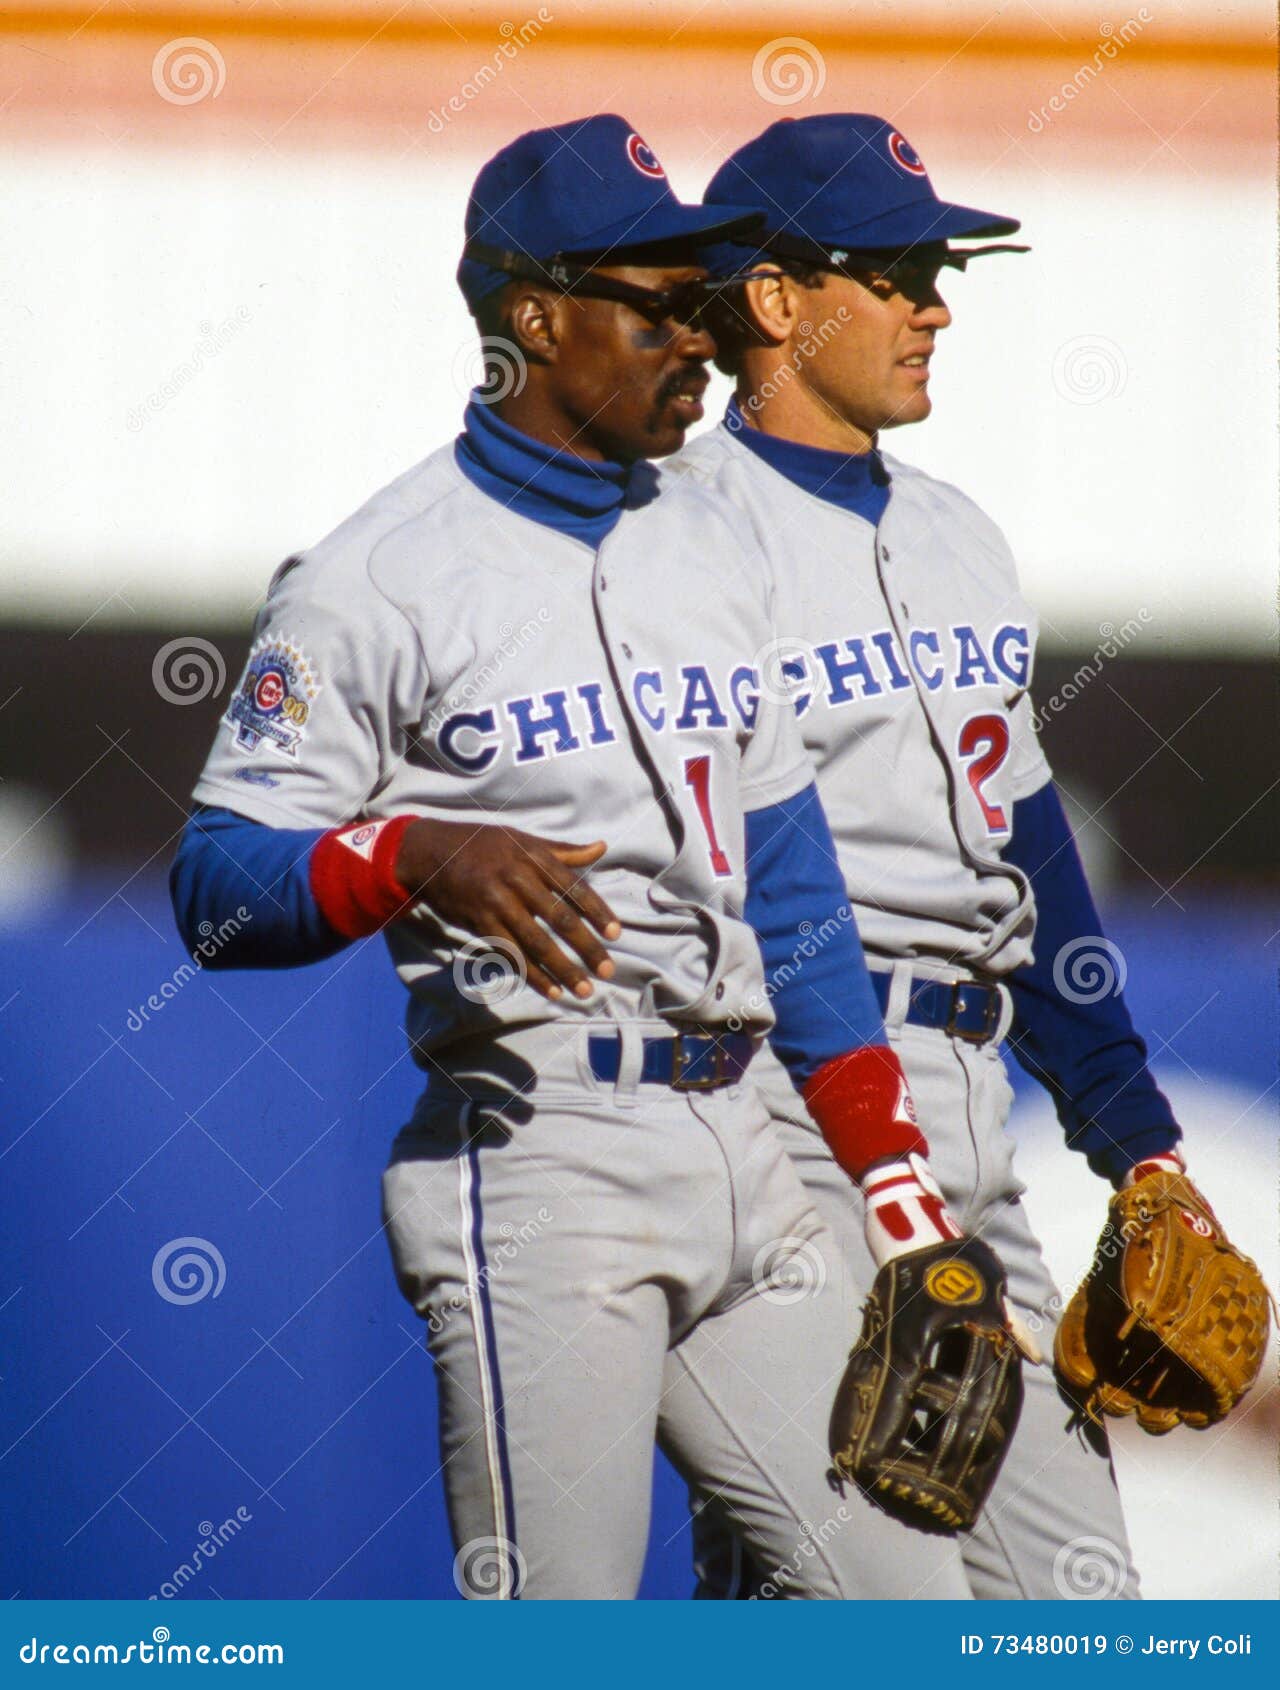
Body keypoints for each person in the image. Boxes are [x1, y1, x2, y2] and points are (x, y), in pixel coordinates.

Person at [169, 115, 987, 1600]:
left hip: (746, 1140)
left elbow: (787, 865)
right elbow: (218, 886)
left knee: (911, 1613)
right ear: (534, 317)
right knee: (566, 1634)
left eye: (707, 299)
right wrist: (411, 850)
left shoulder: (711, 533)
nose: (702, 334)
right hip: (546, 1156)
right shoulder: (376, 579)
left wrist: (889, 1169)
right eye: (662, 302)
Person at [661, 111, 1202, 1600]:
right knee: (867, 1597)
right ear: (773, 299)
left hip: (970, 1118)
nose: (935, 304)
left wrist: (1135, 1138)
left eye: (938, 267)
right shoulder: (678, 541)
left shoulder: (963, 535)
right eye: (895, 269)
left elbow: (1033, 866)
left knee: (1081, 1605)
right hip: (786, 1104)